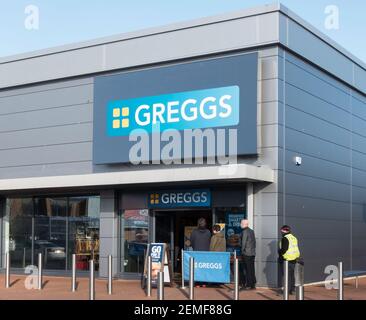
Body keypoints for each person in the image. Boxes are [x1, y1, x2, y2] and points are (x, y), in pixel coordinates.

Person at [278, 225, 300, 295]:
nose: (281, 232)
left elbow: (284, 249)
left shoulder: (285, 238)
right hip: (294, 258)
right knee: (291, 275)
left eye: (281, 230)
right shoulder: (294, 238)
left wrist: (279, 251)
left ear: (284, 230)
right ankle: (292, 290)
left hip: (286, 259)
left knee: (285, 275)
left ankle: (285, 290)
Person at [190, 218, 211, 287]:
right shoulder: (208, 232)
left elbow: (192, 242)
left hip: (197, 253)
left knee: (197, 268)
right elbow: (209, 242)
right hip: (206, 253)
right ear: (205, 224)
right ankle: (204, 282)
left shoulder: (194, 232)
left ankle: (198, 283)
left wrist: (195, 247)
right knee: (204, 267)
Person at [240, 219, 256, 290]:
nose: (240, 224)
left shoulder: (245, 231)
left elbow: (243, 243)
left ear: (244, 224)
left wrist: (242, 251)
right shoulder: (251, 231)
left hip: (246, 253)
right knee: (252, 269)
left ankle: (248, 284)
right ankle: (253, 284)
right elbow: (254, 242)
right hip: (252, 253)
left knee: (247, 269)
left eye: (241, 223)